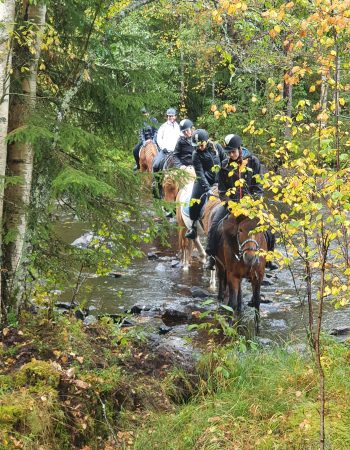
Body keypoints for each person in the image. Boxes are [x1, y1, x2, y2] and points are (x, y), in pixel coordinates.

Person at [204, 134, 278, 270]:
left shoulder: (253, 162)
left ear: (239, 149)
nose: (231, 155)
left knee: (271, 225)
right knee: (214, 224)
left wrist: (252, 203)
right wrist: (229, 204)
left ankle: (269, 258)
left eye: (233, 152)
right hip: (232, 205)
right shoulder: (224, 165)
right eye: (228, 152)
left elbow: (259, 187)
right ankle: (212, 256)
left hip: (251, 204)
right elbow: (222, 190)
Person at [185, 129, 225, 239]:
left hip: (219, 179)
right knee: (194, 201)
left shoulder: (217, 147)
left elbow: (225, 161)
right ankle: (192, 227)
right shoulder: (195, 154)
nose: (199, 147)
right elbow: (200, 173)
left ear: (206, 141)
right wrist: (207, 189)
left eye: (201, 145)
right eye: (197, 146)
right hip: (203, 181)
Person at [152, 108, 181, 173]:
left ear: (175, 116)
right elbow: (159, 139)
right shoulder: (163, 127)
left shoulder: (178, 127)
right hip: (165, 152)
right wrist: (163, 148)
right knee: (155, 165)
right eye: (169, 116)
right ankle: (155, 182)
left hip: (176, 152)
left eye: (172, 116)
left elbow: (181, 138)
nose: (170, 117)